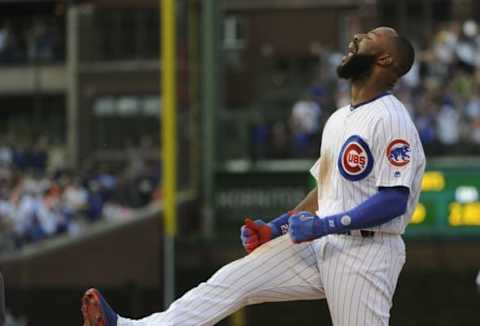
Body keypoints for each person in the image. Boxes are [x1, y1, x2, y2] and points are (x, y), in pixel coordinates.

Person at [81, 26, 425, 326]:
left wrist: (324, 225)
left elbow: (393, 200)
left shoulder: (391, 119)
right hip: (325, 242)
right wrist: (278, 227)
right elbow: (324, 193)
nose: (356, 38)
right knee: (232, 281)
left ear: (386, 61)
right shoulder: (339, 118)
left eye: (370, 38)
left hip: (365, 252)